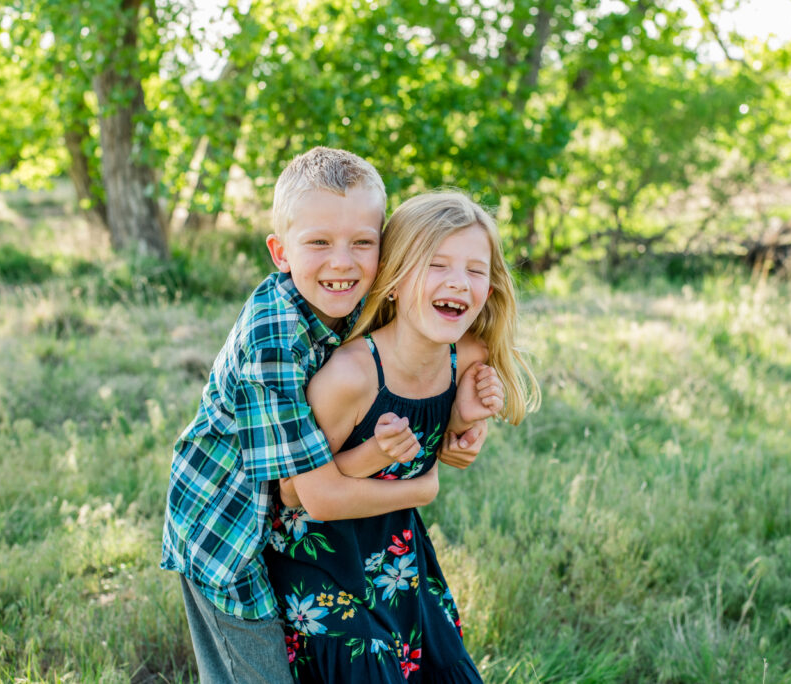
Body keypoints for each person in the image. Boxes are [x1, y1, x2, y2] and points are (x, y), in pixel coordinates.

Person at [160, 148, 490, 684]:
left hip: (302, 530)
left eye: (363, 242)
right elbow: (315, 495)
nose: (343, 261)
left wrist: (460, 424)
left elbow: (438, 356)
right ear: (280, 252)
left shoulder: (360, 296)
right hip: (229, 534)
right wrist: (423, 486)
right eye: (318, 243)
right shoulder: (273, 340)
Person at [264, 191, 541, 682]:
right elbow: (293, 494)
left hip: (396, 559)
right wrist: (407, 476)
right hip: (322, 566)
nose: (458, 282)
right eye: (437, 265)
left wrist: (461, 424)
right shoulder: (351, 376)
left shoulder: (467, 356)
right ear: (393, 279)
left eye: (476, 271)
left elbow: (438, 448)